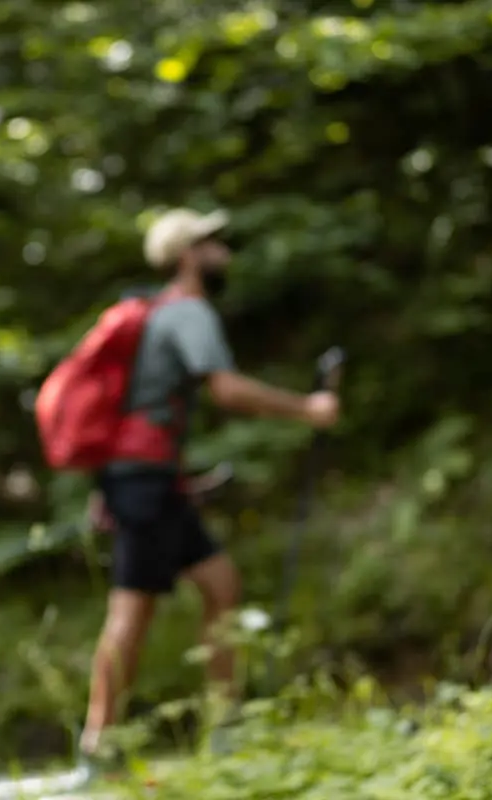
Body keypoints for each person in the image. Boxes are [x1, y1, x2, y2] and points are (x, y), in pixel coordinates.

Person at [76, 206, 341, 775]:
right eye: (213, 243)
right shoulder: (188, 311)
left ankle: (223, 732)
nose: (224, 252)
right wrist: (308, 408)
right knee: (131, 612)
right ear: (187, 254)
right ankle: (97, 750)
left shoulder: (159, 313)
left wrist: (118, 483)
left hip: (149, 482)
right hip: (143, 485)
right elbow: (227, 391)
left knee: (221, 585)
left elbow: (134, 410)